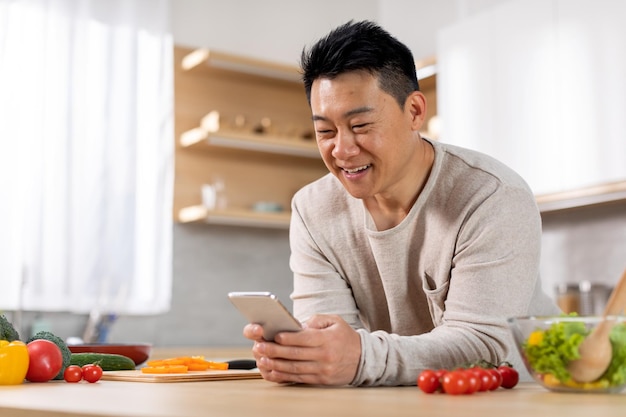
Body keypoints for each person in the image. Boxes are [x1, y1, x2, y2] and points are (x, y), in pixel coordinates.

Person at [243, 20, 560, 387]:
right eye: (325, 131)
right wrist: (307, 356)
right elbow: (331, 337)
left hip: (516, 396)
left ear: (414, 111)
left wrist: (360, 358)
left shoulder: (492, 196)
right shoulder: (312, 210)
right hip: (401, 395)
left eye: (360, 125)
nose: (342, 150)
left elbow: (483, 343)